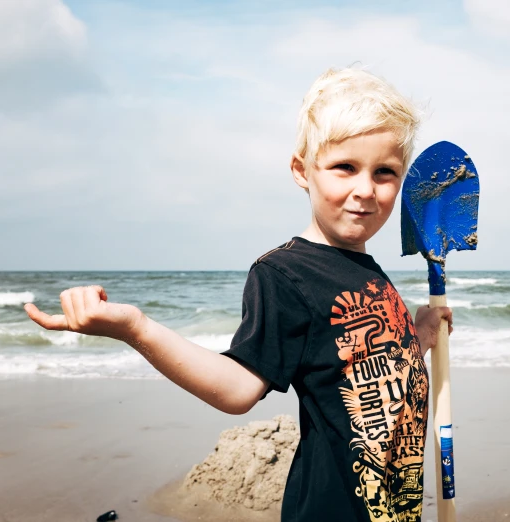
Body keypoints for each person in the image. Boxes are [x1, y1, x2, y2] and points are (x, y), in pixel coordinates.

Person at [25, 66, 453, 522]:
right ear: (301, 170)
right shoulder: (284, 274)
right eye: (344, 167)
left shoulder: (366, 272)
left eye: (384, 172)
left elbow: (359, 367)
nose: (365, 190)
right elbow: (237, 388)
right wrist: (138, 329)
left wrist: (416, 337)